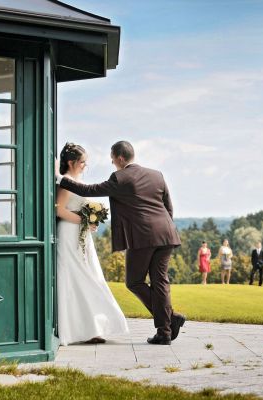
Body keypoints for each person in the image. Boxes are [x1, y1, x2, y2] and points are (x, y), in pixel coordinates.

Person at [55, 140, 185, 345]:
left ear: (120, 158)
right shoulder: (157, 175)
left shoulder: (120, 177)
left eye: (112, 159)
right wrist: (163, 229)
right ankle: (165, 331)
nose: (112, 162)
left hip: (142, 237)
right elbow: (168, 208)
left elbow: (90, 190)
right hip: (166, 234)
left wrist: (60, 178)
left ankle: (169, 321)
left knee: (134, 282)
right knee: (160, 281)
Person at [55, 143, 129, 345]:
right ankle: (77, 330)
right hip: (69, 234)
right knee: (76, 277)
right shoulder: (66, 183)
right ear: (71, 162)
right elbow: (59, 210)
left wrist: (90, 221)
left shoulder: (77, 181)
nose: (85, 166)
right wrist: (84, 220)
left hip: (82, 235)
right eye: (82, 162)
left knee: (91, 276)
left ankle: (94, 327)